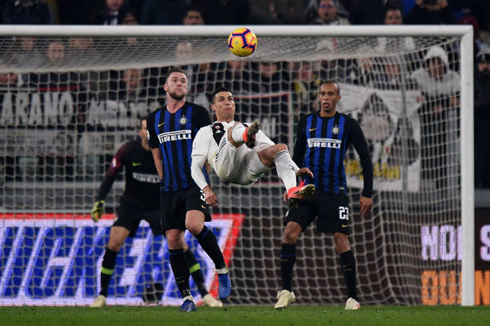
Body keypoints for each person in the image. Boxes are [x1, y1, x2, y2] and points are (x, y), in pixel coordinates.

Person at [90, 119, 222, 308]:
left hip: (158, 205)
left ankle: (205, 294)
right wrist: (100, 200)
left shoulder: (165, 154)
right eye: (146, 130)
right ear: (141, 133)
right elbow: (111, 175)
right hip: (132, 204)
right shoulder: (128, 150)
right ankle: (101, 295)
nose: (150, 133)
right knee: (114, 242)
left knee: (180, 243)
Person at [275, 81, 373, 310]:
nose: (326, 98)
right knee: (289, 232)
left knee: (341, 239)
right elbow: (296, 158)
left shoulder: (347, 124)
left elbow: (365, 158)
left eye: (330, 94)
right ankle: (286, 291)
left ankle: (352, 298)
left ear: (338, 98)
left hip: (334, 191)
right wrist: (291, 186)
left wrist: (367, 193)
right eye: (322, 94)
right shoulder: (307, 122)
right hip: (307, 190)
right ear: (318, 97)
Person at [146, 67, 229, 312]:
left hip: (194, 184)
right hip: (169, 188)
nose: (180, 83)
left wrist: (204, 179)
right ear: (165, 87)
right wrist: (165, 181)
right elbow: (157, 156)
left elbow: (211, 148)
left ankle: (222, 268)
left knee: (193, 225)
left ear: (187, 87)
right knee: (173, 239)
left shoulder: (198, 113)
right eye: (175, 80)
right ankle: (187, 298)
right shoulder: (154, 119)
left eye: (183, 80)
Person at [190, 87, 315, 209]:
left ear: (234, 104)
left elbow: (273, 152)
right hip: (225, 167)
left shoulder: (249, 126)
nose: (227, 102)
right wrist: (205, 189)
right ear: (213, 107)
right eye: (221, 99)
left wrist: (296, 170)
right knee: (236, 128)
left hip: (247, 172)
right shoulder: (205, 131)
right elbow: (195, 166)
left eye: (230, 99)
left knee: (279, 148)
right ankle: (245, 138)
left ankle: (292, 190)